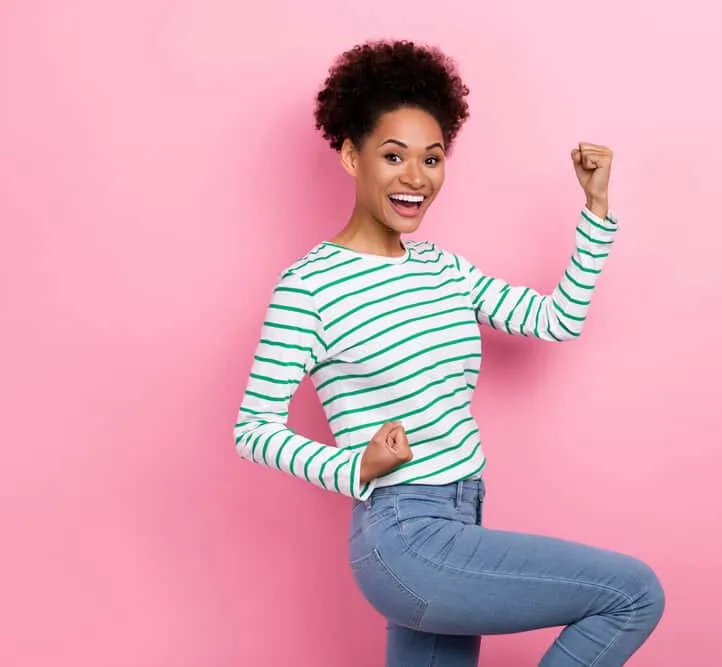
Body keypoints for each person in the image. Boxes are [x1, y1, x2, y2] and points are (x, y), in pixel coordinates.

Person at [234, 39, 665, 666]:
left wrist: (595, 213)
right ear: (352, 156)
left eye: (431, 158)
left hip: (462, 515)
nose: (416, 177)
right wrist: (354, 466)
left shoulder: (444, 270)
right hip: (406, 533)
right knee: (630, 594)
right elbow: (254, 428)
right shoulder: (310, 287)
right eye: (393, 156)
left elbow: (556, 320)